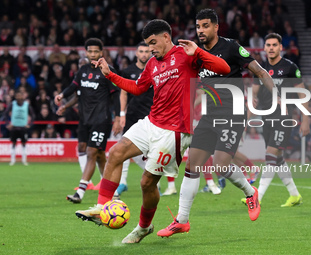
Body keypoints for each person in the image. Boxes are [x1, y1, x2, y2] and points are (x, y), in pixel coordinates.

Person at [75, 19, 231, 244]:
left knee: (147, 182)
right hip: (151, 122)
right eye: (148, 45)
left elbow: (224, 68)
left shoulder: (187, 54)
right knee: (116, 153)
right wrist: (110, 75)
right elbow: (138, 88)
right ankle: (101, 207)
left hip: (174, 131)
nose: (151, 48)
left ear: (166, 37)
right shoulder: (152, 64)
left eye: (153, 43)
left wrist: (199, 52)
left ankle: (143, 227)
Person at [157, 9, 276, 238]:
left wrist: (277, 97)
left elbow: (259, 71)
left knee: (221, 166)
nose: (200, 31)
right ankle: (181, 221)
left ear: (216, 27)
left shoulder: (231, 47)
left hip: (233, 113)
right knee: (192, 166)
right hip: (209, 115)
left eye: (205, 26)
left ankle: (251, 193)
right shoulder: (195, 53)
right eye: (198, 26)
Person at [244, 33, 310, 207]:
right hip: (266, 119)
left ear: (281, 47)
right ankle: (294, 195)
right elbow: (254, 98)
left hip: (283, 118)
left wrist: (306, 120)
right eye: (268, 45)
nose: (271, 48)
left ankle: (256, 196)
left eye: (275, 45)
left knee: (270, 156)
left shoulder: (290, 67)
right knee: (277, 159)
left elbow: (303, 95)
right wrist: (245, 121)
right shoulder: (259, 69)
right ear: (264, 48)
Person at [54, 38, 121, 203]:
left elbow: (117, 95)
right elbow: (74, 87)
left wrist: (119, 117)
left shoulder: (107, 70)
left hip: (101, 119)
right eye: (90, 51)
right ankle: (113, 190)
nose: (93, 54)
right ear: (86, 52)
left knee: (92, 152)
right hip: (84, 120)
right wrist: (62, 96)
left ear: (101, 52)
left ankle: (81, 192)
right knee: (97, 156)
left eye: (96, 51)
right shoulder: (83, 70)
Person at [116, 41, 152, 196]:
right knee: (123, 146)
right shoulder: (128, 71)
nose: (144, 54)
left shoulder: (155, 69)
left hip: (151, 117)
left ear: (150, 53)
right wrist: (122, 114)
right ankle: (122, 182)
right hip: (131, 116)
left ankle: (153, 181)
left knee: (149, 152)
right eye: (141, 51)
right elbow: (123, 93)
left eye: (146, 51)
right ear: (136, 53)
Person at [1, 90, 35, 166]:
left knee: (24, 144)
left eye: (20, 95)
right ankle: (12, 160)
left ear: (23, 96)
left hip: (23, 127)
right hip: (14, 127)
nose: (19, 97)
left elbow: (33, 115)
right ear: (15, 97)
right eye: (17, 96)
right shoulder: (12, 104)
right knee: (13, 143)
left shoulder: (26, 105)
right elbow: (5, 113)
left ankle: (24, 160)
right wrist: (7, 124)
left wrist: (30, 124)